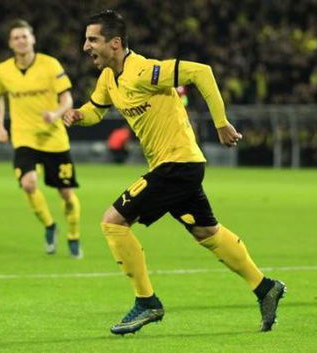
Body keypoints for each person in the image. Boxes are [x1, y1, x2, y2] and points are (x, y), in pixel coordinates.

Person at [63, 10, 285, 334]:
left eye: (92, 39)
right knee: (207, 233)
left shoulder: (144, 71)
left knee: (113, 222)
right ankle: (265, 287)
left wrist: (221, 123)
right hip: (177, 166)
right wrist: (78, 115)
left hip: (176, 165)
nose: (85, 46)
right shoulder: (109, 79)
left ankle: (146, 302)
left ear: (114, 43)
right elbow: (96, 110)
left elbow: (201, 72)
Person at [0, 19, 82, 258]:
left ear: (32, 39)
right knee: (28, 184)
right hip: (24, 137)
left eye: (24, 36)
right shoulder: (2, 71)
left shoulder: (50, 65)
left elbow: (67, 100)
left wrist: (56, 114)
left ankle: (73, 234)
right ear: (10, 44)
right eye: (16, 37)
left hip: (54, 138)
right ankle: (50, 226)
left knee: (66, 194)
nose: (21, 40)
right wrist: (0, 126)